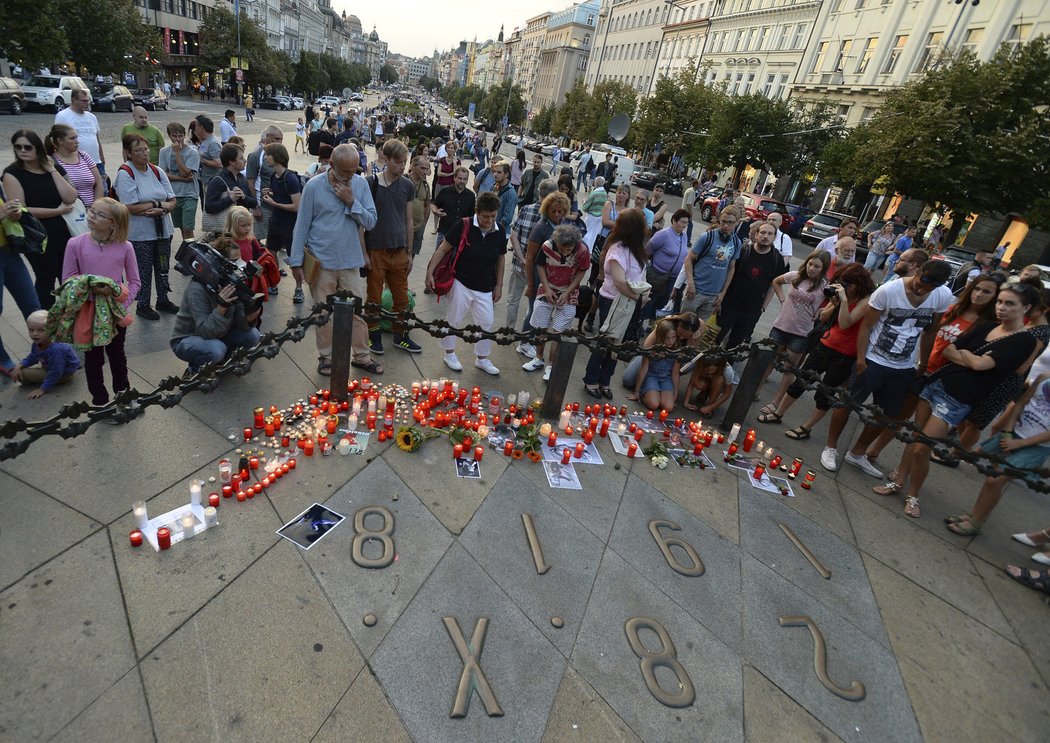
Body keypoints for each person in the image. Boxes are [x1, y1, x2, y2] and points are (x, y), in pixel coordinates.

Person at [875, 283, 1039, 518]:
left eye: (1010, 303)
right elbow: (950, 350)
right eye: (1000, 302)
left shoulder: (1024, 341)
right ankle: (899, 480)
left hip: (958, 399)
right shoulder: (989, 326)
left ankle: (914, 494)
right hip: (936, 384)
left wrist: (970, 358)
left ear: (1027, 308)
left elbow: (982, 365)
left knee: (923, 448)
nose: (1002, 307)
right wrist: (971, 359)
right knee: (914, 436)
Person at [820, 258, 954, 476]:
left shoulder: (942, 295)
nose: (922, 289)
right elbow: (866, 327)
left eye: (930, 287)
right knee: (847, 402)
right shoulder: (889, 290)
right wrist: (862, 358)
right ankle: (830, 447)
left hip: (904, 365)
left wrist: (923, 363)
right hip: (874, 359)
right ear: (918, 270)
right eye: (921, 281)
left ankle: (857, 453)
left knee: (888, 414)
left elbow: (931, 331)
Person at [288, 144, 380, 375]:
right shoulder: (313, 186)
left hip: (350, 262)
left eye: (353, 171)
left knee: (357, 313)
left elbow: (371, 222)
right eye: (345, 172)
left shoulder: (360, 184)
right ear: (331, 165)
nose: (350, 177)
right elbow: (301, 227)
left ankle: (362, 355)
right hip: (322, 263)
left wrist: (352, 201)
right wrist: (296, 262)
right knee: (323, 314)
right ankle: (326, 357)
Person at [769, 263, 876, 440]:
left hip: (844, 355)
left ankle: (806, 427)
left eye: (849, 284)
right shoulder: (841, 297)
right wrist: (834, 303)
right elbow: (823, 317)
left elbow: (845, 323)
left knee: (825, 394)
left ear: (860, 284)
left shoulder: (866, 301)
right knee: (801, 381)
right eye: (843, 283)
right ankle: (779, 413)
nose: (846, 288)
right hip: (825, 345)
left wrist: (843, 302)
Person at [60, 197, 140, 407]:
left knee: (117, 355)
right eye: (92, 211)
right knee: (93, 359)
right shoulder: (75, 243)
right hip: (87, 311)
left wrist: (122, 306)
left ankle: (123, 395)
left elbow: (135, 281)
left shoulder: (125, 247)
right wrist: (88, 285)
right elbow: (68, 278)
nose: (92, 216)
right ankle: (100, 402)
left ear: (113, 223)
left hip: (114, 312)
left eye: (100, 214)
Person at [425, 191, 505, 376]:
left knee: (486, 322)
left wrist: (499, 285)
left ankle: (482, 358)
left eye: (493, 216)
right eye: (486, 216)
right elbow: (443, 248)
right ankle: (449, 353)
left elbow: (500, 259)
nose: (489, 220)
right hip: (461, 281)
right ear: (477, 212)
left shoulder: (499, 230)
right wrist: (430, 272)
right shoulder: (463, 224)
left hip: (485, 285)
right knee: (454, 318)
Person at [3, 130, 78, 309]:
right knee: (46, 278)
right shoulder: (12, 173)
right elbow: (22, 209)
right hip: (37, 235)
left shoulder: (53, 167)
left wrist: (51, 169)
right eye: (18, 147)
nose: (22, 150)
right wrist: (57, 211)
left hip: (65, 231)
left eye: (27, 147)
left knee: (69, 277)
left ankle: (71, 323)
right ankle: (45, 327)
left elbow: (71, 196)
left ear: (37, 148)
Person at [757, 250, 832, 422]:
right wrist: (782, 298)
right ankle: (756, 390)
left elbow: (835, 303)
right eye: (810, 264)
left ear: (823, 268)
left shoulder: (825, 286)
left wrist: (823, 310)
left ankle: (776, 402)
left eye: (817, 266)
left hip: (801, 333)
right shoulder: (796, 276)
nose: (812, 269)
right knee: (768, 360)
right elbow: (776, 281)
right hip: (780, 326)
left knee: (788, 368)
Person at [582, 208, 649, 399]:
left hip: (630, 302)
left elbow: (641, 274)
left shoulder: (637, 250)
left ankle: (605, 380)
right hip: (612, 301)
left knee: (618, 345)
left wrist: (643, 294)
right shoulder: (617, 249)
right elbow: (619, 281)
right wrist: (639, 298)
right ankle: (591, 378)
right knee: (606, 341)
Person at [170, 236, 261, 374]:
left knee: (253, 335)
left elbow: (240, 323)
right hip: (188, 339)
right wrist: (222, 307)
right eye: (235, 261)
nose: (240, 265)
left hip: (219, 334)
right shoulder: (197, 288)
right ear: (221, 264)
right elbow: (205, 331)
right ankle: (194, 371)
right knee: (216, 349)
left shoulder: (231, 282)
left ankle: (223, 362)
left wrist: (250, 316)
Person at [365, 139, 421, 354]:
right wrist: (364, 253)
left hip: (399, 252)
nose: (403, 166)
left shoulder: (407, 185)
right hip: (376, 251)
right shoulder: (371, 183)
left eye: (405, 162)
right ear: (386, 159)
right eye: (399, 162)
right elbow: (363, 222)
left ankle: (401, 336)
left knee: (402, 298)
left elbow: (408, 220)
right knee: (374, 299)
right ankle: (374, 337)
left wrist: (409, 253)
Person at [115, 133, 178, 320]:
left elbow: (172, 199)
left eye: (145, 149)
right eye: (138, 150)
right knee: (143, 269)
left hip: (163, 230)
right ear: (128, 153)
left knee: (163, 265)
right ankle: (143, 304)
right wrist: (159, 205)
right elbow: (129, 207)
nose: (144, 153)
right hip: (140, 234)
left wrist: (163, 208)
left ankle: (163, 298)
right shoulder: (126, 173)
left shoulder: (157, 170)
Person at [522, 224, 589, 381]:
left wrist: (567, 292)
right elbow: (540, 264)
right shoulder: (547, 246)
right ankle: (538, 358)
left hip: (569, 291)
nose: (565, 252)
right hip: (548, 288)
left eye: (568, 249)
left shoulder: (582, 250)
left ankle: (551, 365)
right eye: (562, 248)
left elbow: (582, 270)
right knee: (540, 326)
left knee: (559, 331)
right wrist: (546, 286)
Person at [715, 220, 788, 349]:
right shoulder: (743, 251)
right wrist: (721, 296)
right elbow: (729, 274)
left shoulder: (777, 259)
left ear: (774, 237)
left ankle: (726, 366)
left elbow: (773, 285)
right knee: (716, 337)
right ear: (756, 235)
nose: (766, 236)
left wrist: (763, 307)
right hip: (730, 304)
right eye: (763, 232)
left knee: (735, 343)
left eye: (770, 234)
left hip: (752, 309)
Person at [506, 179, 558, 338]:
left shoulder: (525, 209)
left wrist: (522, 258)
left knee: (513, 300)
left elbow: (514, 236)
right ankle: (526, 336)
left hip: (518, 263)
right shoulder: (553, 217)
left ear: (538, 192)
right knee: (533, 304)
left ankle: (509, 331)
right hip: (538, 271)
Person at [681, 205, 742, 328]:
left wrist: (722, 293)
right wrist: (690, 283)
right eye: (723, 221)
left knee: (699, 329)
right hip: (695, 292)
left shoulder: (736, 243)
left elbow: (731, 268)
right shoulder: (707, 237)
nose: (726, 226)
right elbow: (688, 259)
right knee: (684, 325)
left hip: (714, 296)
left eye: (730, 222)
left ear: (737, 223)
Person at [9, 310, 81, 398]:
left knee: (23, 374)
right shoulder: (39, 342)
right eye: (31, 330)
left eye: (41, 330)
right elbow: (33, 357)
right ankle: (39, 379)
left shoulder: (56, 350)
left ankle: (45, 381)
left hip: (64, 374)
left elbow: (56, 372)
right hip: (51, 367)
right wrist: (19, 365)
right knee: (18, 372)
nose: (35, 334)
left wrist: (42, 389)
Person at [641, 209, 692, 324]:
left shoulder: (683, 236)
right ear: (674, 220)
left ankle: (651, 324)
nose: (684, 225)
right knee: (650, 300)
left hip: (673, 277)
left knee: (662, 302)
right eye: (682, 222)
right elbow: (648, 250)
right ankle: (640, 324)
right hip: (657, 275)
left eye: (686, 223)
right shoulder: (663, 234)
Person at [158, 122, 200, 244]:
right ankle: (186, 248)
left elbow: (186, 172)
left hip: (189, 194)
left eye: (180, 136)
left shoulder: (192, 153)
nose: (178, 139)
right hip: (174, 194)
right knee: (181, 227)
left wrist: (177, 153)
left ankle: (191, 250)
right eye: (174, 136)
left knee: (188, 227)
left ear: (185, 135)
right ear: (169, 136)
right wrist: (181, 179)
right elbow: (163, 174)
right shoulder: (164, 152)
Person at [629, 318, 681, 411]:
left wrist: (675, 394)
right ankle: (645, 393)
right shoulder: (652, 348)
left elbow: (675, 374)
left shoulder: (676, 350)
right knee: (654, 404)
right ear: (661, 337)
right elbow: (644, 368)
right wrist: (636, 391)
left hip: (666, 378)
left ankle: (660, 395)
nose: (671, 341)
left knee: (668, 407)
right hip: (652, 376)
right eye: (667, 338)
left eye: (673, 337)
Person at [46, 124, 103, 209]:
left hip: (92, 211)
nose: (77, 141)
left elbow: (99, 184)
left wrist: (95, 208)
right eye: (72, 138)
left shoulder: (83, 156)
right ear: (60, 141)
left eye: (76, 137)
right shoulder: (52, 162)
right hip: (71, 212)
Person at [55, 88, 106, 178]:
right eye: (83, 101)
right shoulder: (63, 116)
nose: (87, 103)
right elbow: (58, 141)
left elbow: (97, 139)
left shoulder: (92, 117)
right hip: (76, 163)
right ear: (74, 100)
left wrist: (102, 159)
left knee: (103, 189)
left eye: (88, 100)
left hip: (96, 162)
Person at [245, 126, 284, 243]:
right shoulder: (256, 156)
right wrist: (255, 207)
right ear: (268, 138)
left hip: (277, 205)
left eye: (282, 139)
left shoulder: (280, 155)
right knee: (257, 239)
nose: (280, 142)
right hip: (263, 206)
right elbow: (250, 183)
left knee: (273, 241)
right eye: (277, 139)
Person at [430, 165, 475, 253]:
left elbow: (472, 216)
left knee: (455, 262)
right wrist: (435, 211)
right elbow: (434, 204)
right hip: (444, 232)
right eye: (460, 178)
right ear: (454, 178)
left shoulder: (471, 195)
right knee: (439, 259)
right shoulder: (445, 191)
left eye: (465, 179)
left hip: (461, 234)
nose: (462, 181)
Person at [408, 154, 432, 267]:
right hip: (404, 228)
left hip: (418, 229)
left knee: (411, 259)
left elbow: (427, 205)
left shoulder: (426, 185)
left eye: (427, 169)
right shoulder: (403, 181)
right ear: (413, 166)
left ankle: (403, 283)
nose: (425, 171)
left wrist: (424, 224)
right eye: (422, 168)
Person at [432, 141, 460, 233]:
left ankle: (447, 226)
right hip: (440, 185)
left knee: (449, 206)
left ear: (455, 149)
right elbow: (438, 173)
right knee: (437, 205)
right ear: (446, 149)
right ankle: (435, 227)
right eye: (448, 147)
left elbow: (457, 174)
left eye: (452, 148)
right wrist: (451, 173)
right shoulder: (442, 160)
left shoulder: (457, 161)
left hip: (451, 186)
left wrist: (455, 165)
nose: (450, 149)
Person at [196, 116, 223, 202]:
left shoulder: (213, 143)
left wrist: (202, 160)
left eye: (196, 126)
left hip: (211, 183)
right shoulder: (205, 140)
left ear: (202, 127)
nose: (195, 128)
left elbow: (219, 164)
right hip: (204, 180)